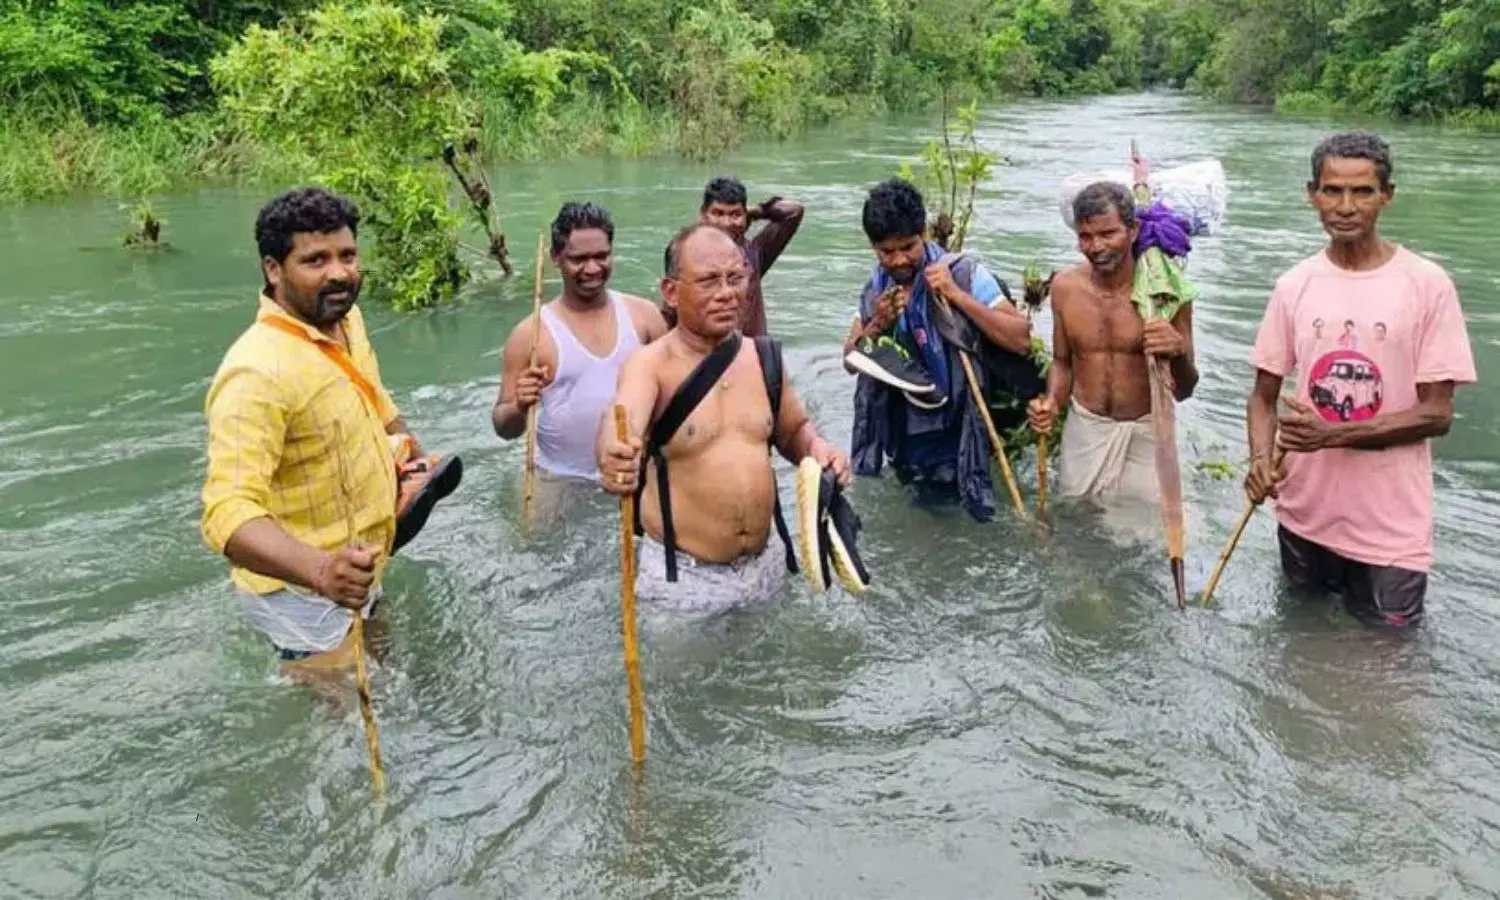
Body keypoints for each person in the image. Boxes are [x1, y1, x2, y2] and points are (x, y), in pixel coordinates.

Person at [200, 187, 456, 673]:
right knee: (342, 729)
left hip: (362, 563)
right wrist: (322, 572)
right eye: (315, 260)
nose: (339, 272)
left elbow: (375, 399)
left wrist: (410, 460)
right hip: (301, 595)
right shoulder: (256, 373)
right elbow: (227, 515)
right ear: (274, 270)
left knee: (387, 675)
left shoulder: (344, 318)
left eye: (347, 255)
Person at [1243, 130, 1476, 627]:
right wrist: (1261, 462)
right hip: (1304, 515)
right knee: (1301, 646)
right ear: (1313, 194)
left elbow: (1438, 414)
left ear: (1386, 196)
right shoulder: (1294, 285)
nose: (1345, 206)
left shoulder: (1427, 285)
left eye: (1362, 191)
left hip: (1392, 531)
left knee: (1387, 673)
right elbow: (1263, 398)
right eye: (1332, 191)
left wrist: (1335, 435)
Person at [598, 223, 850, 612]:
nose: (727, 293)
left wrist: (818, 449)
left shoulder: (764, 358)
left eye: (736, 278)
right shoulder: (649, 367)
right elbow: (622, 421)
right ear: (670, 291)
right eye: (709, 281)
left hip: (767, 562)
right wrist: (615, 453)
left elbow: (793, 431)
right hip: (684, 577)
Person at [842, 177, 1042, 521]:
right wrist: (878, 323)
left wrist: (956, 296)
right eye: (887, 252)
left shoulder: (963, 274)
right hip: (905, 433)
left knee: (960, 514)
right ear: (872, 246)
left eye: (909, 246)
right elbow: (850, 359)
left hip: (962, 422)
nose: (900, 260)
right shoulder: (876, 287)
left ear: (924, 234)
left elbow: (1020, 337)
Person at [1027, 172, 1198, 504]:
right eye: (1085, 236)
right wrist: (1051, 403)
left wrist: (1176, 351)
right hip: (1086, 428)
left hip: (1147, 430)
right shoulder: (1065, 288)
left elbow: (1186, 389)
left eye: (1108, 234)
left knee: (1144, 536)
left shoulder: (1165, 293)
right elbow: (1063, 363)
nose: (1096, 247)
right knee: (1077, 528)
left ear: (1133, 231)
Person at [492, 202, 668, 493]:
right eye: (579, 259)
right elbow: (504, 429)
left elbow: (675, 395)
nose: (592, 268)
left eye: (602, 256)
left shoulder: (644, 317)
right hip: (559, 480)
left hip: (630, 474)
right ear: (556, 258)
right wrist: (520, 405)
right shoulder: (531, 335)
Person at [696, 176, 804, 338]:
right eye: (718, 213)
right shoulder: (687, 255)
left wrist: (755, 212)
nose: (726, 223)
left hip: (752, 353)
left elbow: (793, 211)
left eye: (735, 214)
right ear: (703, 215)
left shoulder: (754, 252)